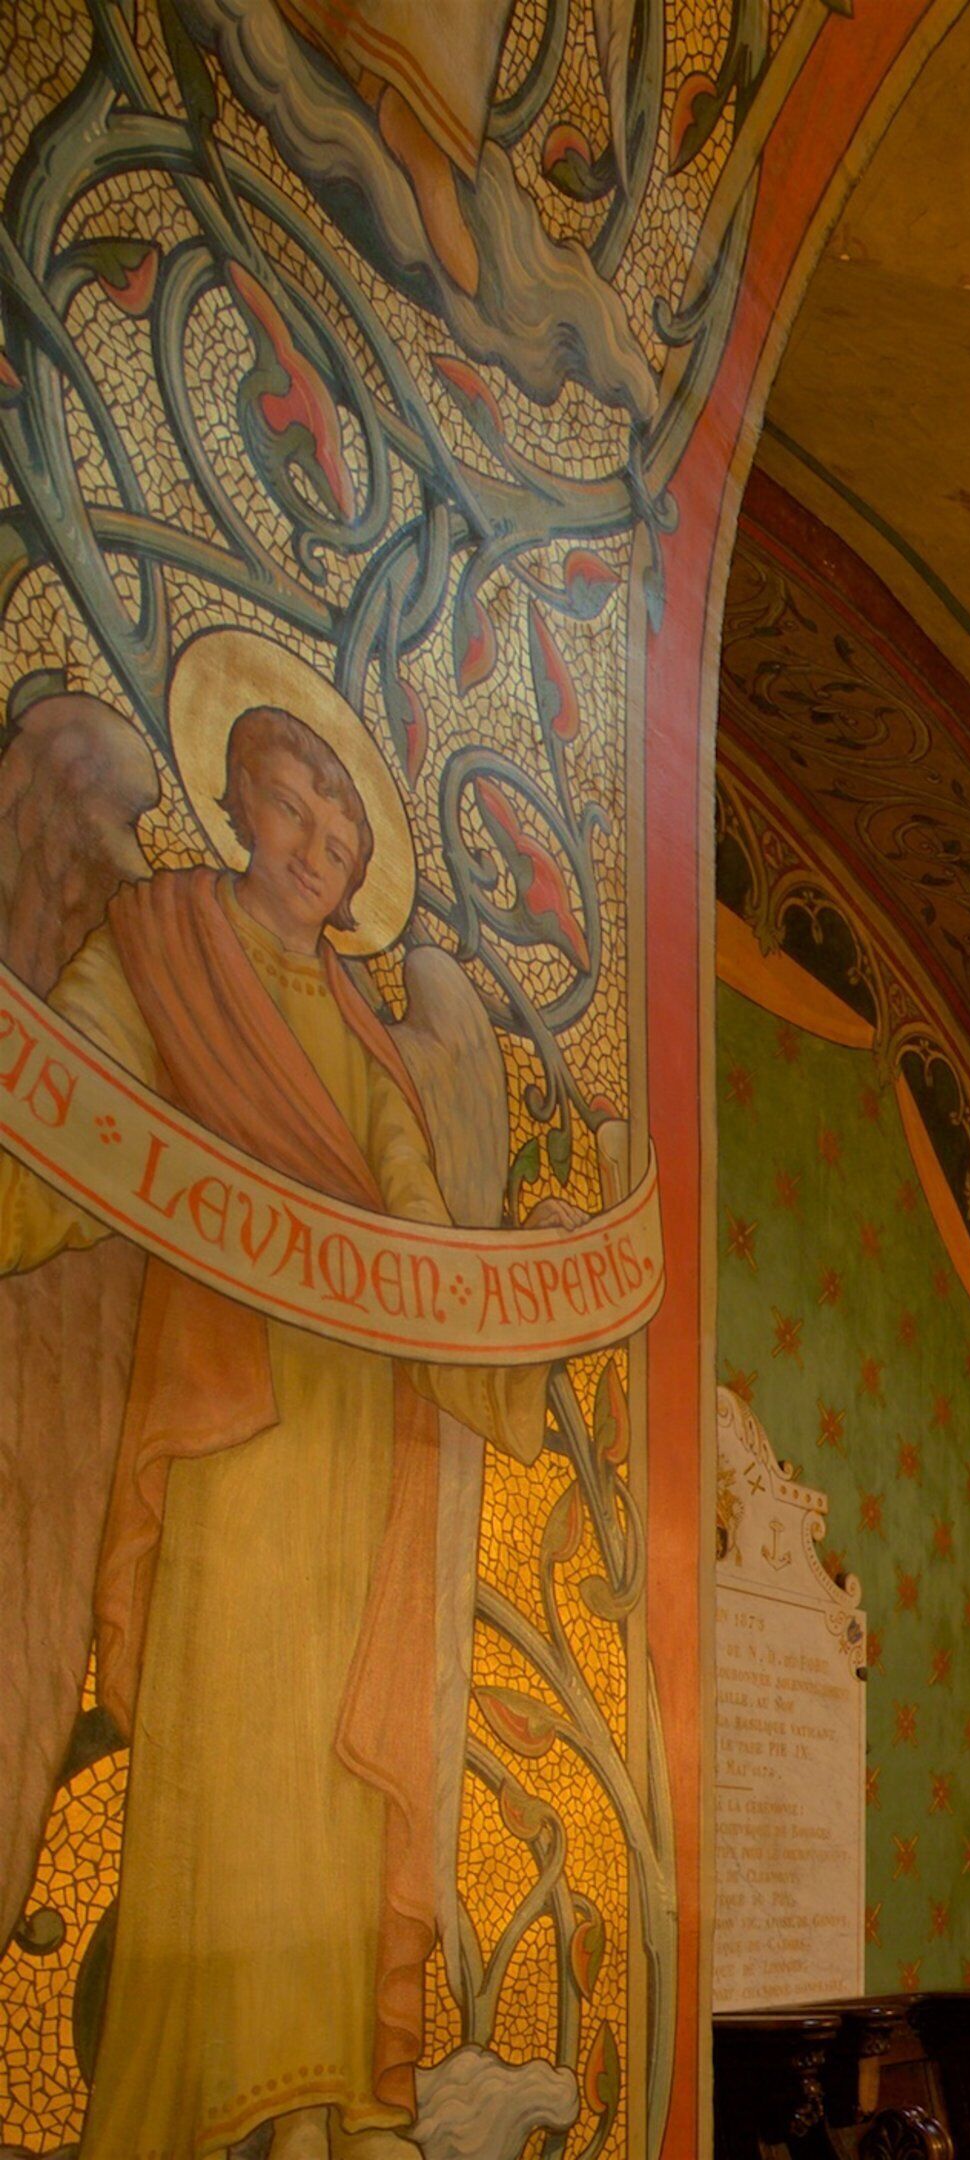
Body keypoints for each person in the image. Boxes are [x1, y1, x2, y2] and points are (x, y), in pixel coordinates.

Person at [0, 695, 542, 2160]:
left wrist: (510, 1335)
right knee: (228, 1753)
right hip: (230, 1424)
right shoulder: (164, 945)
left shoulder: (362, 1036)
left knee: (331, 1776)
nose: (319, 844)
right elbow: (72, 1111)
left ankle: (324, 2100)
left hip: (355, 1443)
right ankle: (204, 2103)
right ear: (239, 798)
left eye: (345, 827)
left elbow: (415, 1227)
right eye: (298, 806)